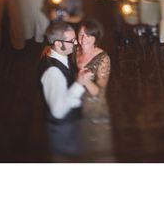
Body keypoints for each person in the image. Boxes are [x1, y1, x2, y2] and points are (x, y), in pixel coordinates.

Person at [38, 21, 90, 161]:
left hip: (71, 123)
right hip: (64, 129)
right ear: (57, 43)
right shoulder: (53, 72)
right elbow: (58, 111)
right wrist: (79, 84)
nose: (75, 43)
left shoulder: (59, 57)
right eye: (71, 41)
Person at [73, 18, 114, 162]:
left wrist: (84, 80)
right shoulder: (75, 49)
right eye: (80, 35)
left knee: (100, 151)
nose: (83, 39)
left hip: (94, 108)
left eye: (88, 36)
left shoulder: (103, 58)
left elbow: (98, 91)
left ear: (96, 38)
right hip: (74, 105)